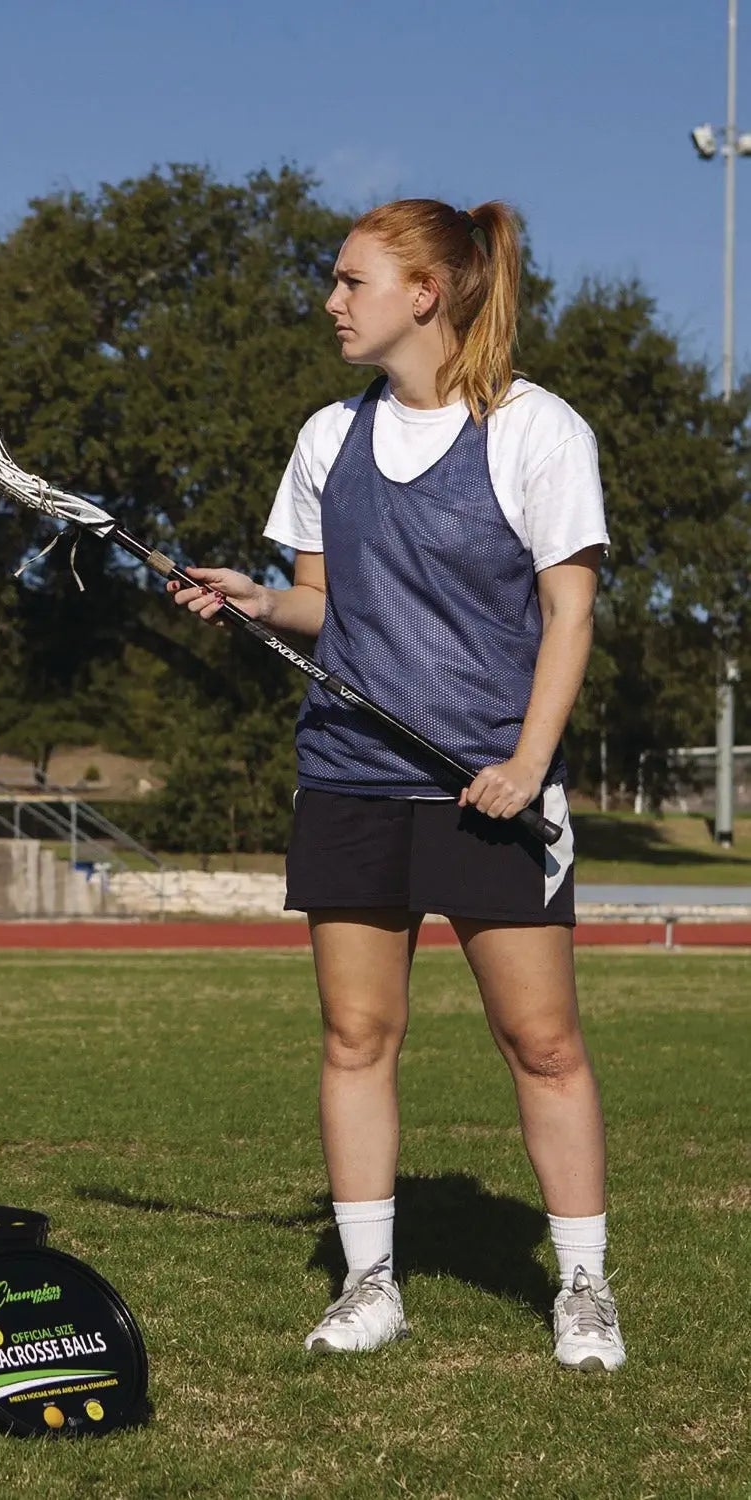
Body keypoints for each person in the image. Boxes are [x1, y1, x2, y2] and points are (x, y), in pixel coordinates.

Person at [168, 198, 624, 1372]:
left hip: (490, 785)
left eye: (349, 280)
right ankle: (372, 1283)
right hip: (351, 775)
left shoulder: (536, 431)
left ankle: (582, 1287)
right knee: (357, 1033)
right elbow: (323, 605)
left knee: (543, 1041)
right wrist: (258, 600)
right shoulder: (328, 437)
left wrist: (528, 765)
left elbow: (570, 610)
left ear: (425, 293)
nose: (331, 300)